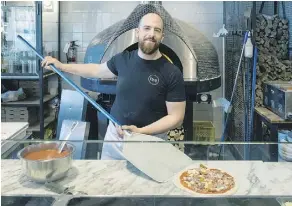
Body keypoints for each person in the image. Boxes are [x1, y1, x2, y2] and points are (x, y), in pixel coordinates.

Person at [41, 12, 186, 160]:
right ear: (137, 32)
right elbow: (95, 70)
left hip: (151, 142)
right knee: (109, 181)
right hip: (116, 139)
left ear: (162, 36)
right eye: (147, 28)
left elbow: (176, 117)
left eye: (157, 30)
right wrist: (61, 66)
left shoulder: (171, 72)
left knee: (146, 184)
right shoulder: (123, 59)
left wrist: (141, 131)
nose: (151, 34)